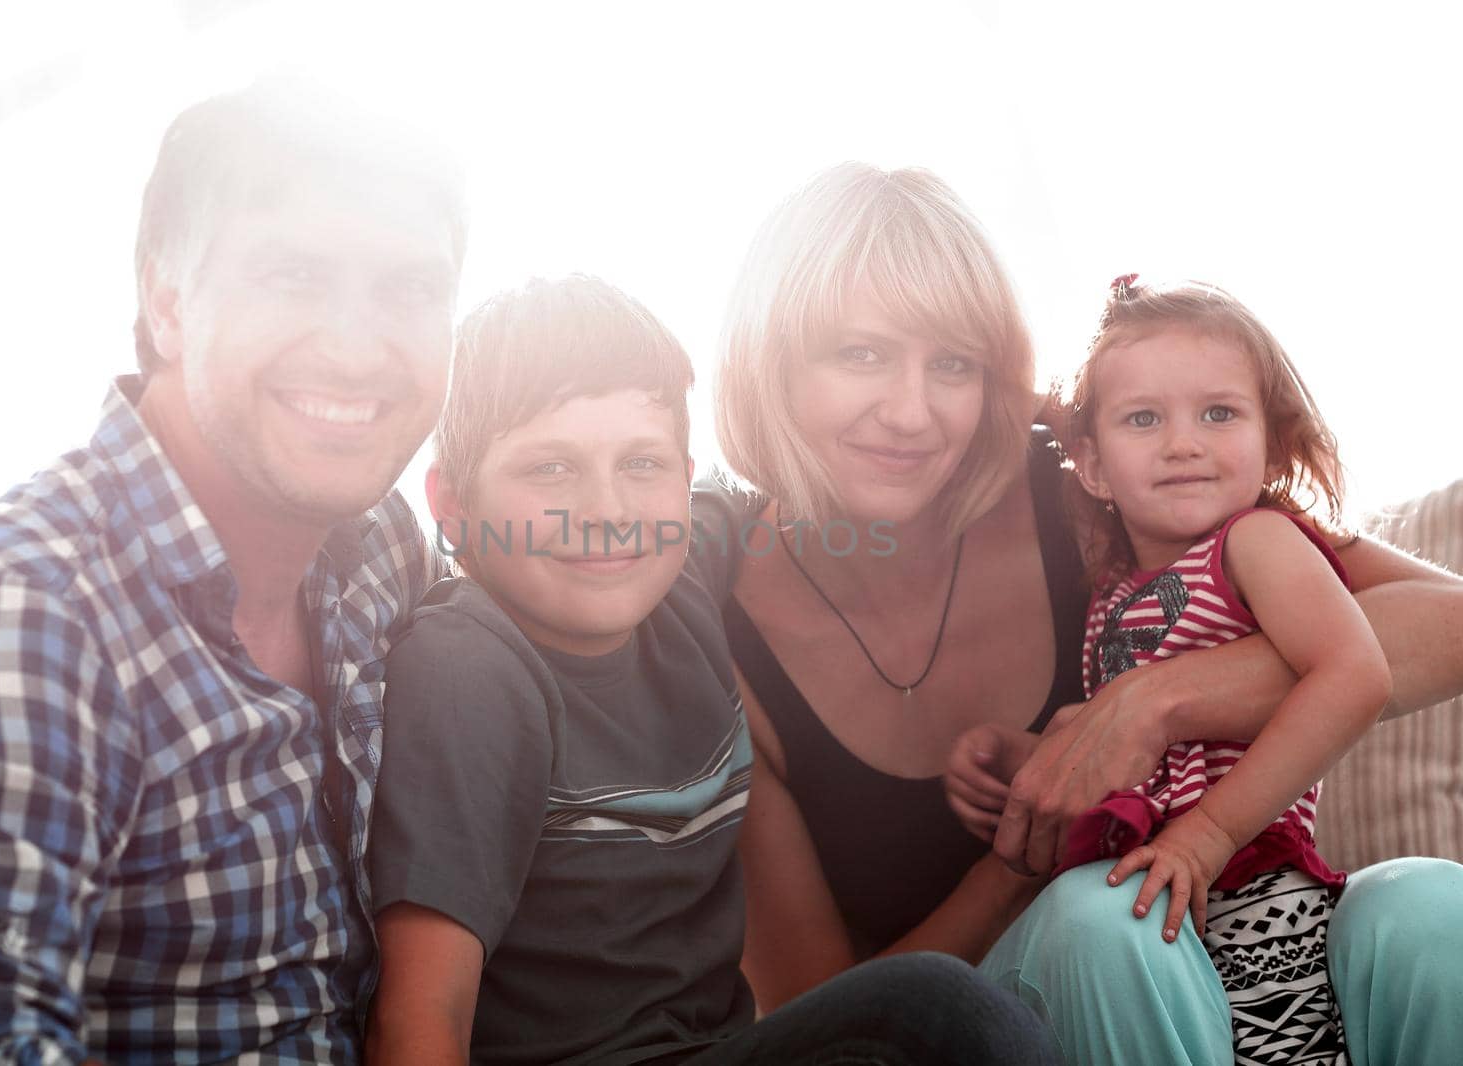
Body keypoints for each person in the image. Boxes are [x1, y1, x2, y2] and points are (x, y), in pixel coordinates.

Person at [706, 161, 1463, 1065]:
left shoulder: (1081, 493)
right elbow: (830, 1017)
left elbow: (1445, 621)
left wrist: (1154, 702)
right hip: (1010, 1009)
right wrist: (1025, 856)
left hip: (1229, 958)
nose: (910, 413)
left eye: (952, 364)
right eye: (860, 354)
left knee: (1426, 902)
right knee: (1102, 923)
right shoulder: (721, 640)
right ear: (770, 361)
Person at [0, 80, 462, 1062]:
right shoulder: (24, 608)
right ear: (167, 302)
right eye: (293, 276)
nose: (358, 350)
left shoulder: (379, 545)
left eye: (409, 289)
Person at [364, 275, 1058, 1066]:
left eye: (642, 463)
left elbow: (796, 467)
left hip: (721, 1047)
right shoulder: (469, 671)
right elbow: (420, 1014)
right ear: (452, 505)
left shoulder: (684, 574)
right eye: (550, 470)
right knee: (933, 1013)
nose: (607, 510)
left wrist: (1066, 414)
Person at [951, 276, 1391, 1064]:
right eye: (1143, 419)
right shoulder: (1116, 584)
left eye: (1219, 414)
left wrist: (1208, 836)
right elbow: (1147, 760)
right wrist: (1026, 759)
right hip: (1165, 904)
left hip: (1252, 892)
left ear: (1269, 441)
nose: (1183, 443)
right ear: (1090, 464)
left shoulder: (1256, 542)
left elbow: (1356, 673)